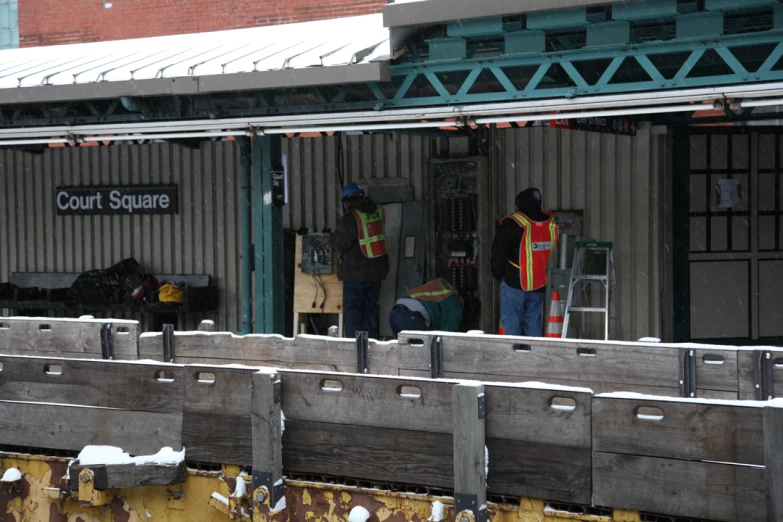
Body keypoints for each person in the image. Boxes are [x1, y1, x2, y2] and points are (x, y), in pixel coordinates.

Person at [491, 187, 558, 337]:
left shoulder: (513, 223)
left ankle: (515, 358)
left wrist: (499, 273)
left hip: (515, 282)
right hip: (538, 282)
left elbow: (498, 252)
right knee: (533, 324)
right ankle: (532, 358)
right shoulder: (549, 224)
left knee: (512, 324)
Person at [331, 183, 389, 339]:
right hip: (376, 272)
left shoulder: (351, 218)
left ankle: (355, 348)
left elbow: (340, 244)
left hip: (356, 273)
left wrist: (331, 237)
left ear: (347, 201)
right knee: (371, 310)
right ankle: (374, 345)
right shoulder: (377, 212)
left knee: (353, 312)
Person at [389, 278, 463, 337]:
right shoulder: (456, 303)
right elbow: (445, 334)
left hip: (396, 311)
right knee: (420, 352)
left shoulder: (441, 283)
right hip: (412, 316)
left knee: (403, 350)